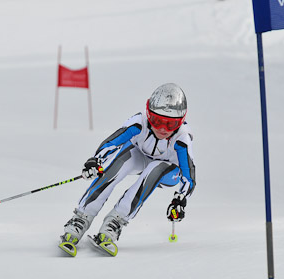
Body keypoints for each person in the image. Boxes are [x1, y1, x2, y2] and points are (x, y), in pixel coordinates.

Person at [58, 83, 196, 257]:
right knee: (120, 161)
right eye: (157, 121)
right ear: (148, 114)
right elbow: (113, 142)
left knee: (155, 167)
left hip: (169, 170)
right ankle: (81, 218)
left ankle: (114, 222)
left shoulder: (182, 137)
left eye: (170, 124)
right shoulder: (139, 123)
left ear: (181, 121)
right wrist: (96, 161)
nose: (163, 129)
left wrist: (180, 199)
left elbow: (189, 175)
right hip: (141, 155)